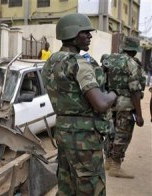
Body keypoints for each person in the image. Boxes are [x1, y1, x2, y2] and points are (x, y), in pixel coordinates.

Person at [41, 13, 117, 195]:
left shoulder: (50, 62)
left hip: (64, 134)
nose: (90, 36)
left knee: (66, 187)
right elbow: (100, 103)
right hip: (85, 140)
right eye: (85, 33)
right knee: (91, 187)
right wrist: (114, 94)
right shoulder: (79, 64)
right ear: (73, 34)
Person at [102, 36, 145, 179]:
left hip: (110, 102)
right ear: (133, 50)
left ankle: (107, 161)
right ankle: (115, 166)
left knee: (110, 132)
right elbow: (135, 90)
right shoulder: (131, 63)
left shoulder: (110, 59)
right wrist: (139, 114)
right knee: (122, 135)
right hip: (125, 106)